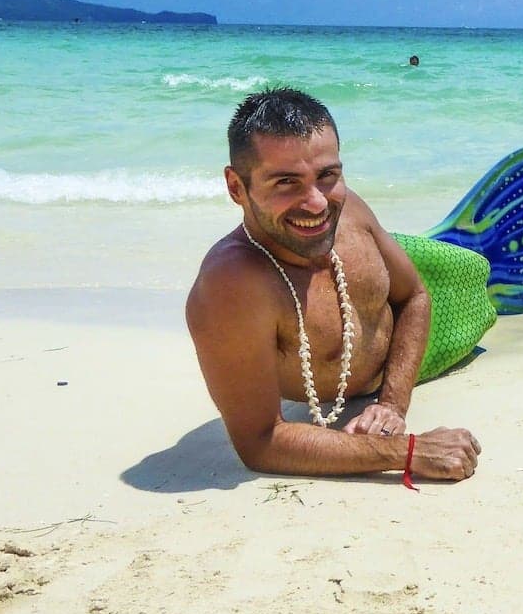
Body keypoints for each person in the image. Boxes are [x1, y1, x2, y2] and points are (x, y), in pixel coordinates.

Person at [186, 87, 480, 481]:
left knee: (483, 269)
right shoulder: (231, 286)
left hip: (416, 329)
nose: (318, 203)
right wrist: (408, 451)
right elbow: (259, 443)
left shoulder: (350, 210)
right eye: (286, 182)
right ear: (237, 187)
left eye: (327, 176)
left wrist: (391, 404)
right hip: (387, 355)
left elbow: (414, 295)